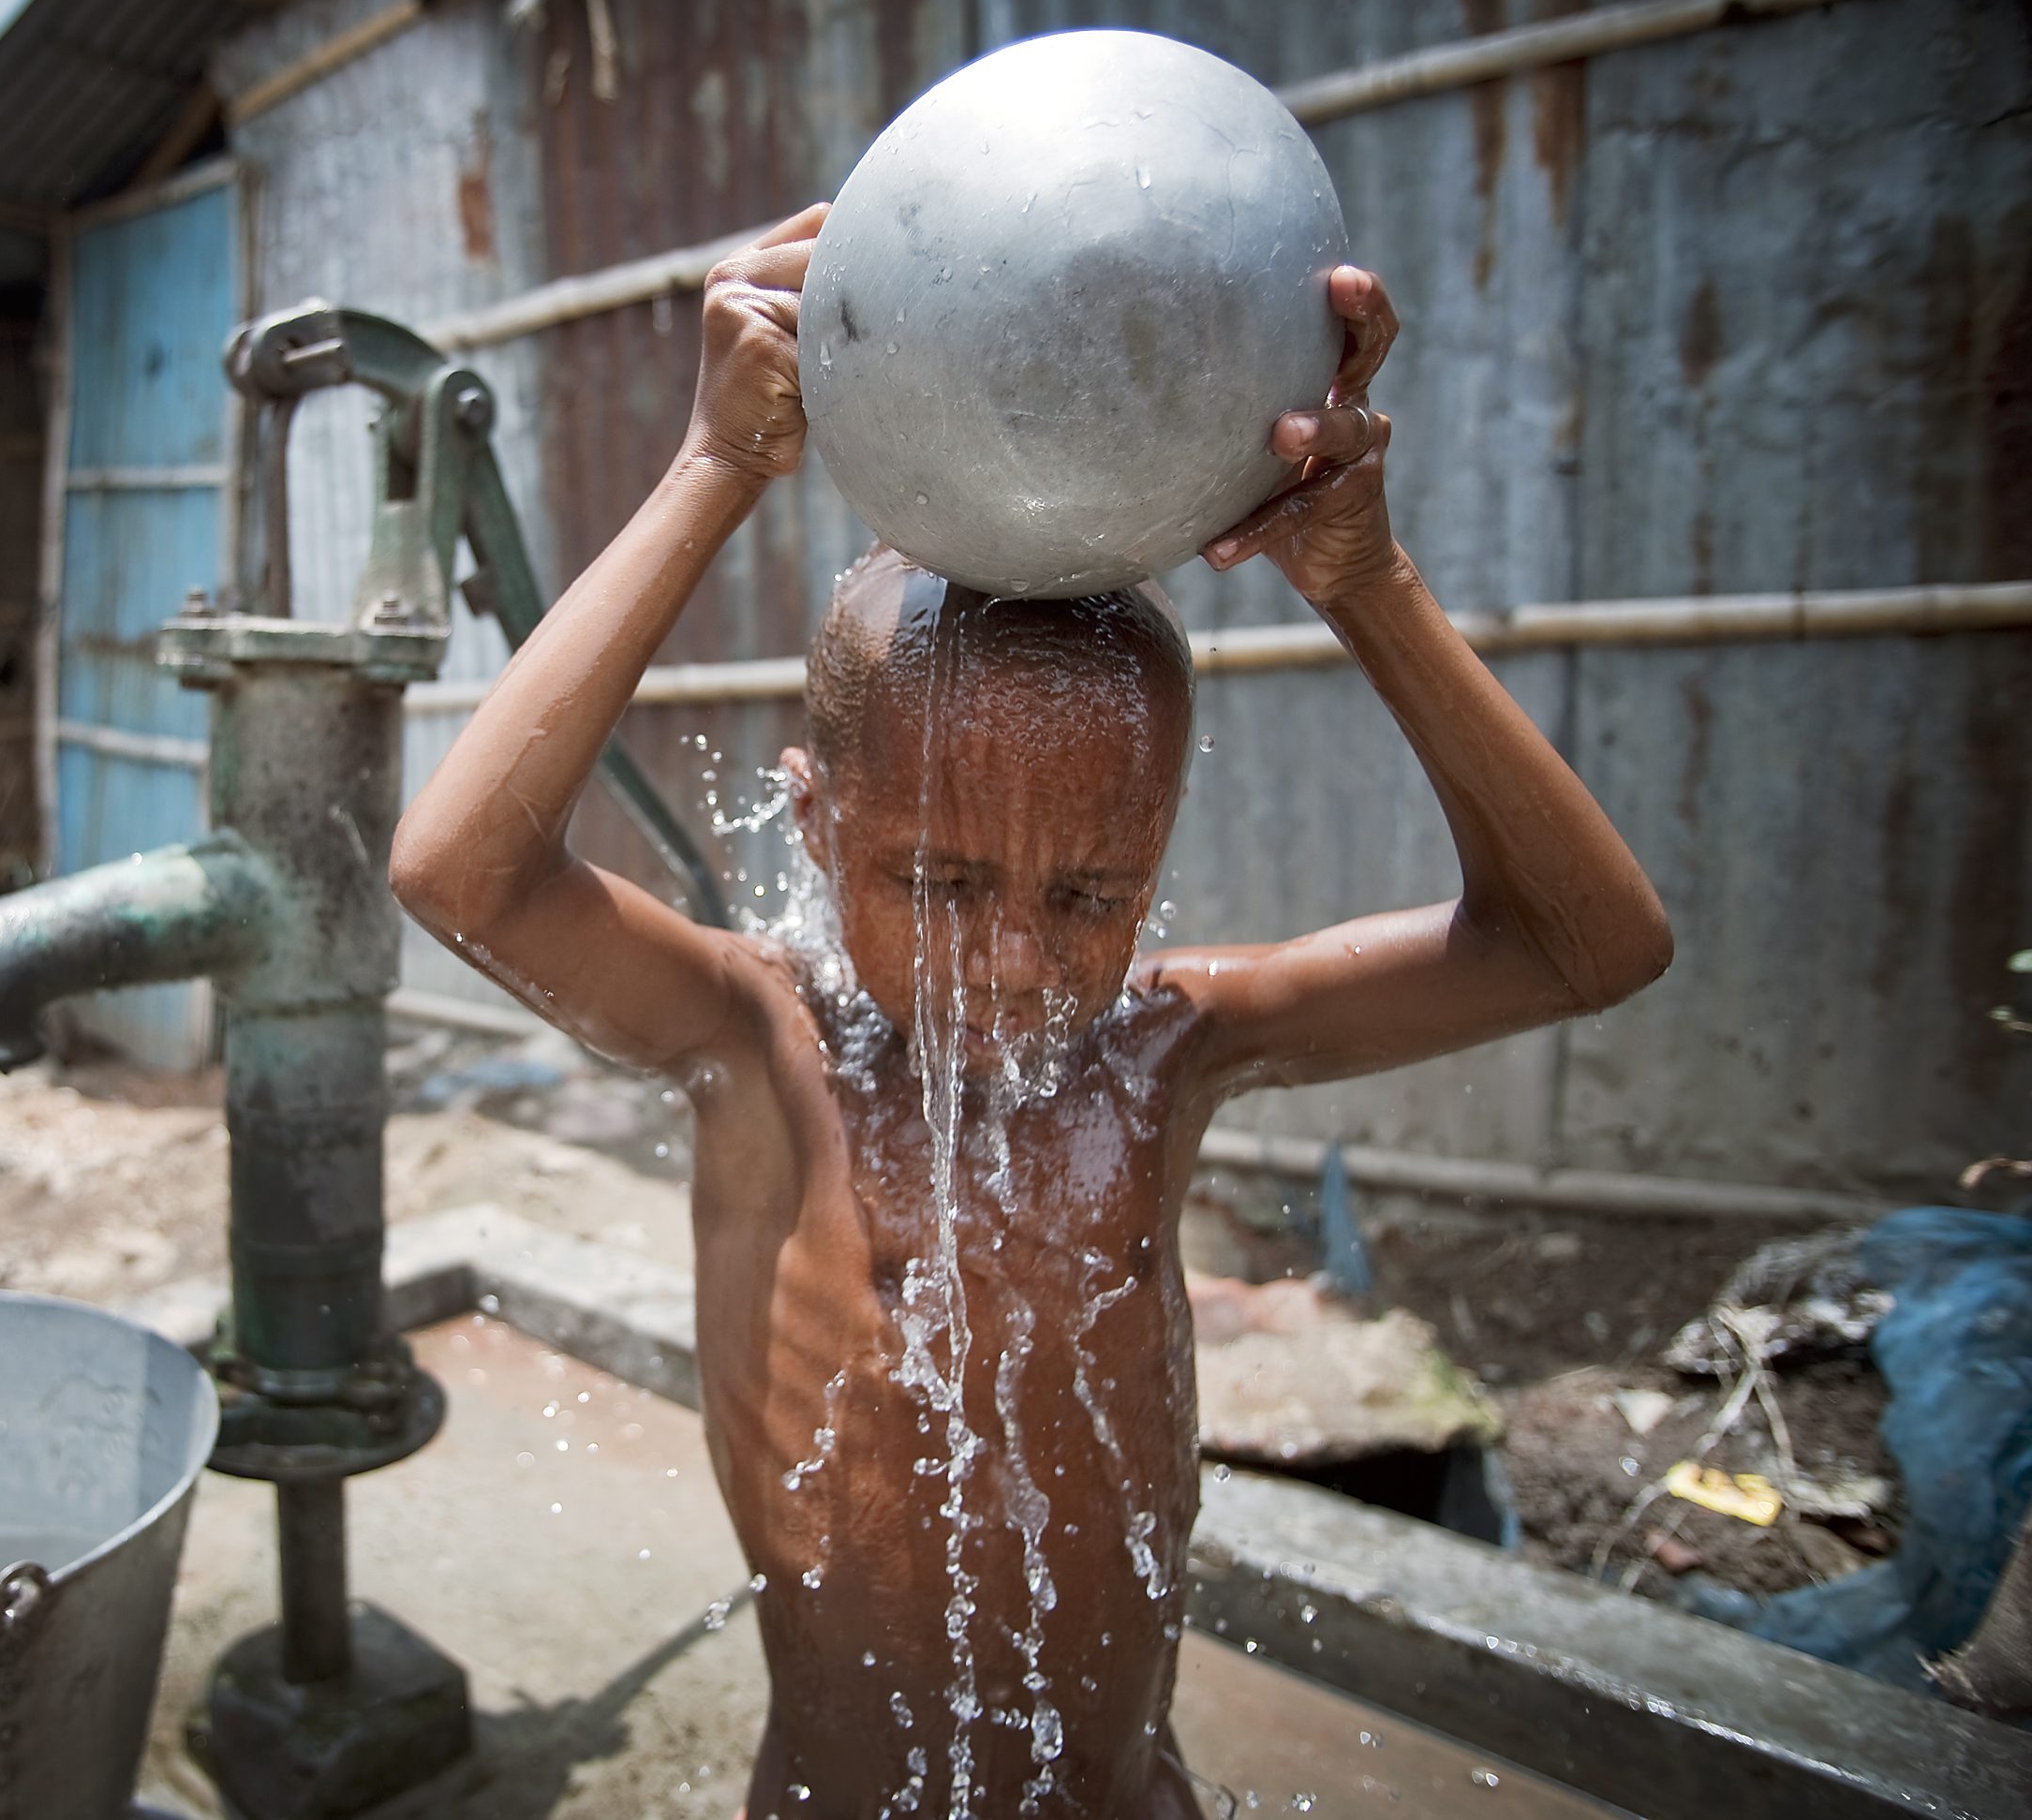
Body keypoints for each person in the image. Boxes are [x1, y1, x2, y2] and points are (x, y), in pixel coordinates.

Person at [388, 203, 1672, 1817]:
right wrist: (715, 468)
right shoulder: (749, 1040)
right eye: (937, 883)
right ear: (815, 827)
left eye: (1089, 898)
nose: (1013, 957)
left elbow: (1587, 943)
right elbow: (462, 875)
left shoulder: (1168, 1049)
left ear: (1156, 872)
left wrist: (1369, 579)